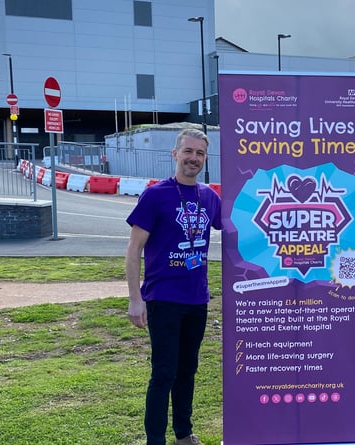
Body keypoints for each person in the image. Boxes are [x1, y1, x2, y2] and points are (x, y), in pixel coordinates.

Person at [126, 128, 222, 445]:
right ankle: (156, 439)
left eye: (200, 154)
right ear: (175, 154)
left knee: (188, 369)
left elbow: (240, 224)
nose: (193, 158)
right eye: (188, 151)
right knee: (164, 371)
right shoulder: (155, 195)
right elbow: (133, 249)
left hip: (197, 299)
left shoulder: (209, 197)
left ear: (204, 159)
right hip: (163, 298)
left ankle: (183, 432)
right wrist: (135, 299)